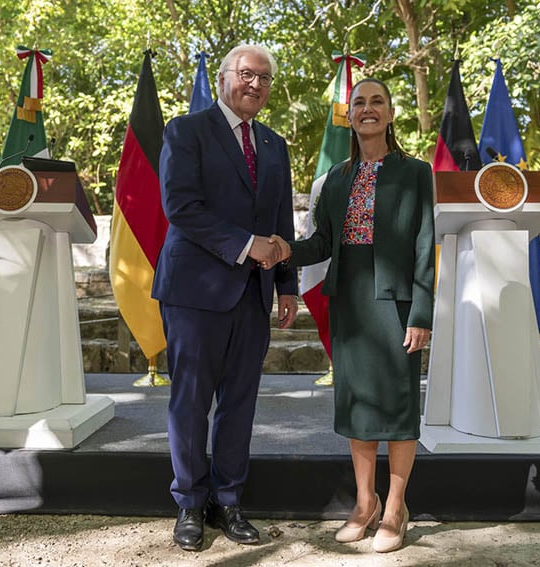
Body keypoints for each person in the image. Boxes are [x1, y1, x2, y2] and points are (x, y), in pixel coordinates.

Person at [270, 77, 434, 553]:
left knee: (398, 408)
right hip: (349, 303)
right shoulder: (335, 179)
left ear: (389, 113)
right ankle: (365, 503)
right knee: (358, 406)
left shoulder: (416, 172)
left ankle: (396, 508)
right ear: (350, 114)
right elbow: (322, 243)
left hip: (399, 304)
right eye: (359, 102)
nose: (367, 109)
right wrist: (284, 250)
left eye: (376, 101)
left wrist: (421, 312)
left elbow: (426, 246)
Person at [152, 44, 299, 552]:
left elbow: (281, 221)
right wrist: (244, 245)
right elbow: (181, 207)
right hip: (195, 292)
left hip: (255, 293)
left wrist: (286, 284)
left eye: (264, 78)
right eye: (245, 74)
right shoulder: (185, 131)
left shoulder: (276, 146)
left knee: (240, 403)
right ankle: (190, 504)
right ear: (223, 79)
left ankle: (229, 500)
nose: (255, 84)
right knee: (190, 402)